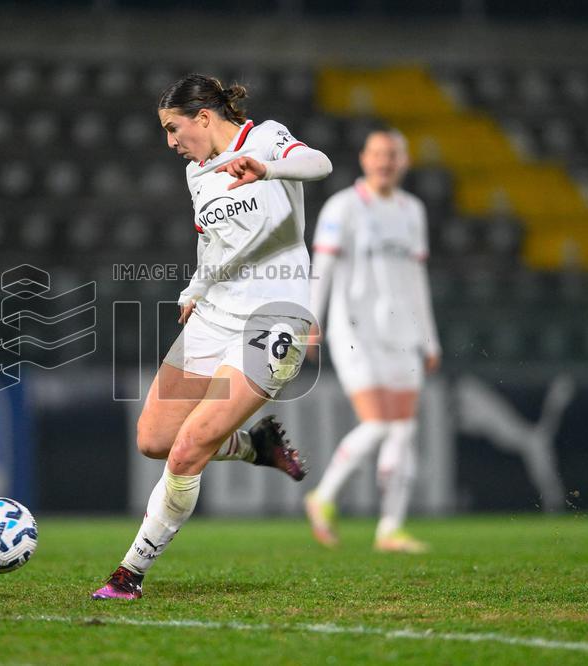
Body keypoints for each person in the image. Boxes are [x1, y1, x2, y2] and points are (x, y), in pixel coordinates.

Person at [92, 74, 333, 600]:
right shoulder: (197, 175)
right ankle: (255, 447)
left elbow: (321, 164)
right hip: (213, 316)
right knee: (154, 440)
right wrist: (195, 288)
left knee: (186, 453)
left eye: (174, 128)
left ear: (203, 117)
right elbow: (214, 244)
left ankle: (129, 573)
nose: (170, 142)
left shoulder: (265, 137)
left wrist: (268, 168)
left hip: (275, 318)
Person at [304, 129, 441, 554]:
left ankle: (390, 529)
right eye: (378, 154)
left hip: (402, 333)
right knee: (380, 423)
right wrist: (312, 318)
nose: (385, 162)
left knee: (404, 429)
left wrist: (428, 337)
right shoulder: (343, 206)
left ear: (405, 162)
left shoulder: (412, 211)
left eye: (393, 155)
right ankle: (323, 497)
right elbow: (321, 265)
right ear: (364, 159)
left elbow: (416, 278)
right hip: (354, 330)